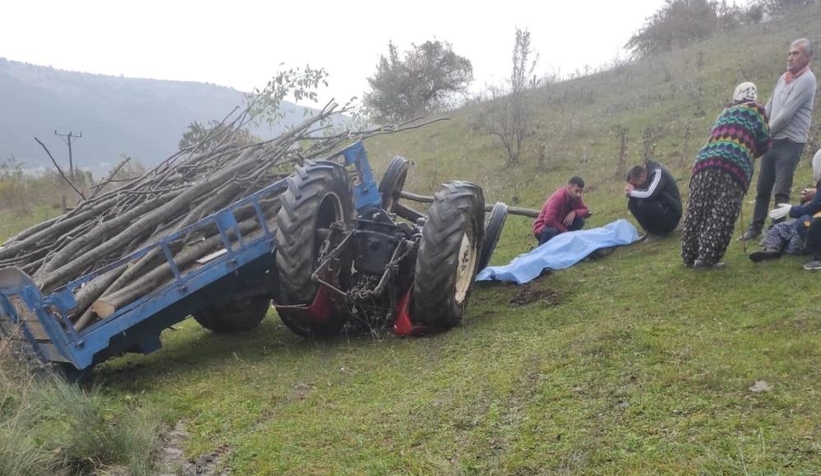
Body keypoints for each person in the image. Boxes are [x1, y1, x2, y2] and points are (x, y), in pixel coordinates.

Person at [681, 82, 770, 269]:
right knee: (722, 210)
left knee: (698, 208)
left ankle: (689, 256)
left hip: (703, 162)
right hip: (733, 164)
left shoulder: (725, 112)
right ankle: (706, 259)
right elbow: (764, 142)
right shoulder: (758, 110)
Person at [740, 38, 816, 241]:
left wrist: (764, 134)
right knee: (763, 187)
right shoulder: (784, 78)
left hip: (790, 142)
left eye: (796, 53)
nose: (791, 57)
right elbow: (772, 105)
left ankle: (776, 232)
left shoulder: (807, 80)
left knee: (781, 190)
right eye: (790, 53)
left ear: (807, 57)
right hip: (773, 140)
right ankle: (755, 228)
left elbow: (786, 115)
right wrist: (759, 123)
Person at [750, 149, 821, 263]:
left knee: (787, 236)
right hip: (806, 223)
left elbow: (814, 206)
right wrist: (809, 197)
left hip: (811, 228)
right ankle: (772, 250)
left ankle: (777, 248)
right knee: (780, 229)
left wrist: (791, 209)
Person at [624, 160, 682, 241]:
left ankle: (659, 231)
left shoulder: (658, 173)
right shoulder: (646, 177)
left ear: (641, 177)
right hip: (660, 208)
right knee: (632, 203)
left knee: (644, 203)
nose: (635, 187)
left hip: (671, 215)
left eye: (635, 184)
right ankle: (650, 231)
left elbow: (650, 194)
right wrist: (631, 194)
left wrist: (632, 192)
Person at [532, 176, 591, 245]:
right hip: (543, 227)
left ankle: (566, 243)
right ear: (569, 188)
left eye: (580, 191)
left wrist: (575, 212)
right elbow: (548, 220)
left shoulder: (576, 196)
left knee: (580, 221)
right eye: (577, 191)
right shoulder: (557, 197)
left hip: (560, 224)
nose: (579, 194)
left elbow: (586, 210)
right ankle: (541, 250)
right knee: (551, 231)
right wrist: (564, 230)